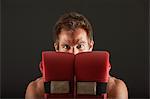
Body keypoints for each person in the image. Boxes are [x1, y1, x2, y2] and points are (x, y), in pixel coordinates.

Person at [25, 12, 128, 99]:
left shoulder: (114, 88)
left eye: (80, 46)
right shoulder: (36, 89)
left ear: (90, 46)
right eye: (66, 46)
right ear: (57, 48)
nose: (73, 53)